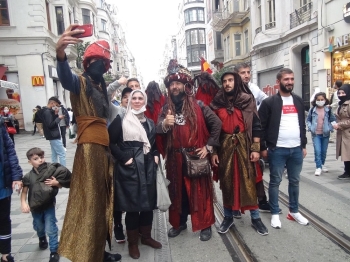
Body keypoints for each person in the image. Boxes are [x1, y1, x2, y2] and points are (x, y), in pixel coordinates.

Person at [55, 24, 121, 262]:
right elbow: (64, 78)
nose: (100, 68)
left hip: (102, 150)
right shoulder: (80, 83)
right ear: (88, 65)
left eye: (103, 65)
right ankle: (89, 254)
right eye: (96, 64)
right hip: (89, 150)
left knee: (102, 201)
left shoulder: (101, 87)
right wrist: (60, 54)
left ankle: (99, 251)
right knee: (91, 202)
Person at [156, 59, 222, 241]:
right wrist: (164, 125)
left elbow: (217, 124)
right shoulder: (165, 109)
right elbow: (156, 130)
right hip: (174, 159)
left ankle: (205, 225)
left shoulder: (199, 106)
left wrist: (209, 146)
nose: (175, 87)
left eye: (178, 83)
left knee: (200, 193)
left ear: (186, 85)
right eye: (172, 84)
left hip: (195, 157)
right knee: (178, 194)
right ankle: (180, 223)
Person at [210, 71, 268, 236]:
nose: (227, 83)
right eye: (224, 81)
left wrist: (256, 149)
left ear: (236, 81)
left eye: (230, 80)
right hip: (224, 147)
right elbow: (213, 130)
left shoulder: (247, 99)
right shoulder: (217, 102)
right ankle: (228, 217)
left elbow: (256, 125)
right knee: (227, 183)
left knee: (250, 181)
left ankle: (255, 218)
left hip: (245, 146)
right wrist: (213, 151)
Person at [109, 90, 161, 259]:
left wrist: (155, 155)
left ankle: (146, 237)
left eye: (140, 98)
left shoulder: (150, 122)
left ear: (144, 101)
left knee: (148, 205)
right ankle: (132, 243)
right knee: (133, 207)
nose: (137, 101)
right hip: (130, 167)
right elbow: (109, 142)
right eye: (134, 98)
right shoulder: (122, 119)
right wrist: (124, 158)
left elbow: (152, 144)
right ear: (129, 101)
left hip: (147, 167)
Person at [258, 68, 309, 229]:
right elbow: (261, 126)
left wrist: (303, 145)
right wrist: (263, 147)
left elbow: (302, 125)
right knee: (275, 182)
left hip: (296, 149)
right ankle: (274, 213)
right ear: (278, 82)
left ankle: (294, 211)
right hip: (277, 149)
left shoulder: (299, 101)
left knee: (294, 181)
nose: (290, 82)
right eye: (286, 79)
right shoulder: (269, 102)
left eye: (292, 79)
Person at [20, 147, 71, 262]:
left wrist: (56, 183)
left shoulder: (50, 170)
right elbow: (24, 191)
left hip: (48, 205)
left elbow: (61, 184)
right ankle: (41, 237)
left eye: (42, 157)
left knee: (51, 227)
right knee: (39, 226)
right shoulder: (28, 176)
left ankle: (54, 251)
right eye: (36, 159)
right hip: (35, 207)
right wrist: (23, 203)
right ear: (30, 162)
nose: (40, 160)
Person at [233, 62, 270, 215]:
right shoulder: (229, 92)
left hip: (252, 136)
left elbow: (266, 101)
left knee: (256, 171)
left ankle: (261, 200)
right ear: (236, 75)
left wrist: (260, 147)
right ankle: (235, 205)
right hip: (235, 140)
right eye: (243, 73)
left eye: (248, 72)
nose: (247, 75)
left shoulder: (254, 89)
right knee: (235, 174)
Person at [0, 116, 22, 262]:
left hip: (2, 183)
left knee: (3, 219)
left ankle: (5, 254)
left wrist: (16, 176)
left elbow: (9, 149)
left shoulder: (0, 125)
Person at [306, 92, 336, 176]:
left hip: (325, 133)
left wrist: (331, 127)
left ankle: (322, 164)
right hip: (316, 133)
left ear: (325, 100)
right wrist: (310, 127)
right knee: (317, 150)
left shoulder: (328, 110)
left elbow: (333, 120)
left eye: (322, 99)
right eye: (318, 100)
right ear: (315, 100)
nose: (320, 101)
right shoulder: (312, 110)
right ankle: (318, 167)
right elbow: (308, 120)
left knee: (323, 151)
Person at [41, 97, 66, 167]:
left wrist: (55, 114)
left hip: (53, 135)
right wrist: (59, 118)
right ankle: (63, 169)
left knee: (54, 153)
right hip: (53, 135)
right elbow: (50, 125)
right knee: (62, 153)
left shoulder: (48, 111)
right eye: (56, 105)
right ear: (52, 103)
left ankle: (54, 168)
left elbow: (51, 122)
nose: (57, 107)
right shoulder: (47, 112)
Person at [333, 84, 350, 180]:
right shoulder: (340, 104)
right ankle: (347, 171)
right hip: (342, 133)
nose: (341, 95)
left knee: (348, 152)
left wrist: (340, 125)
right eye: (339, 93)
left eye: (343, 93)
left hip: (347, 132)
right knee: (345, 152)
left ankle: (348, 172)